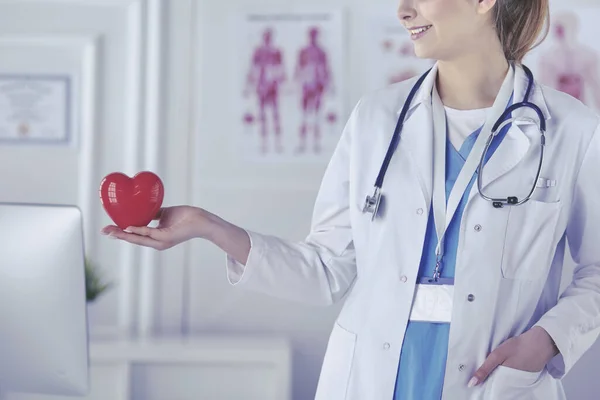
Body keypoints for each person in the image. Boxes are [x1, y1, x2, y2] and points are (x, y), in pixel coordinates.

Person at [102, 0, 600, 399]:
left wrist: (547, 341)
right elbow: (326, 268)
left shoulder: (569, 131)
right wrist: (205, 226)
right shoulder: (376, 120)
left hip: (496, 381)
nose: (403, 11)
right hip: (372, 377)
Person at [537, 11, 600, 111]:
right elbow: (542, 89)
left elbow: (596, 86)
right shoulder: (548, 58)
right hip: (558, 111)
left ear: (573, 28)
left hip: (581, 110)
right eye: (556, 27)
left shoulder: (588, 56)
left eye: (561, 27)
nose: (557, 31)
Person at [244, 27, 286, 154]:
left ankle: (278, 144)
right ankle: (264, 144)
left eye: (269, 36)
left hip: (272, 86)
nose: (267, 38)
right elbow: (252, 68)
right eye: (266, 36)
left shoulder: (276, 52)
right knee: (262, 115)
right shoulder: (258, 51)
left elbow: (281, 69)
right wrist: (248, 85)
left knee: (275, 115)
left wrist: (282, 81)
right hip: (262, 86)